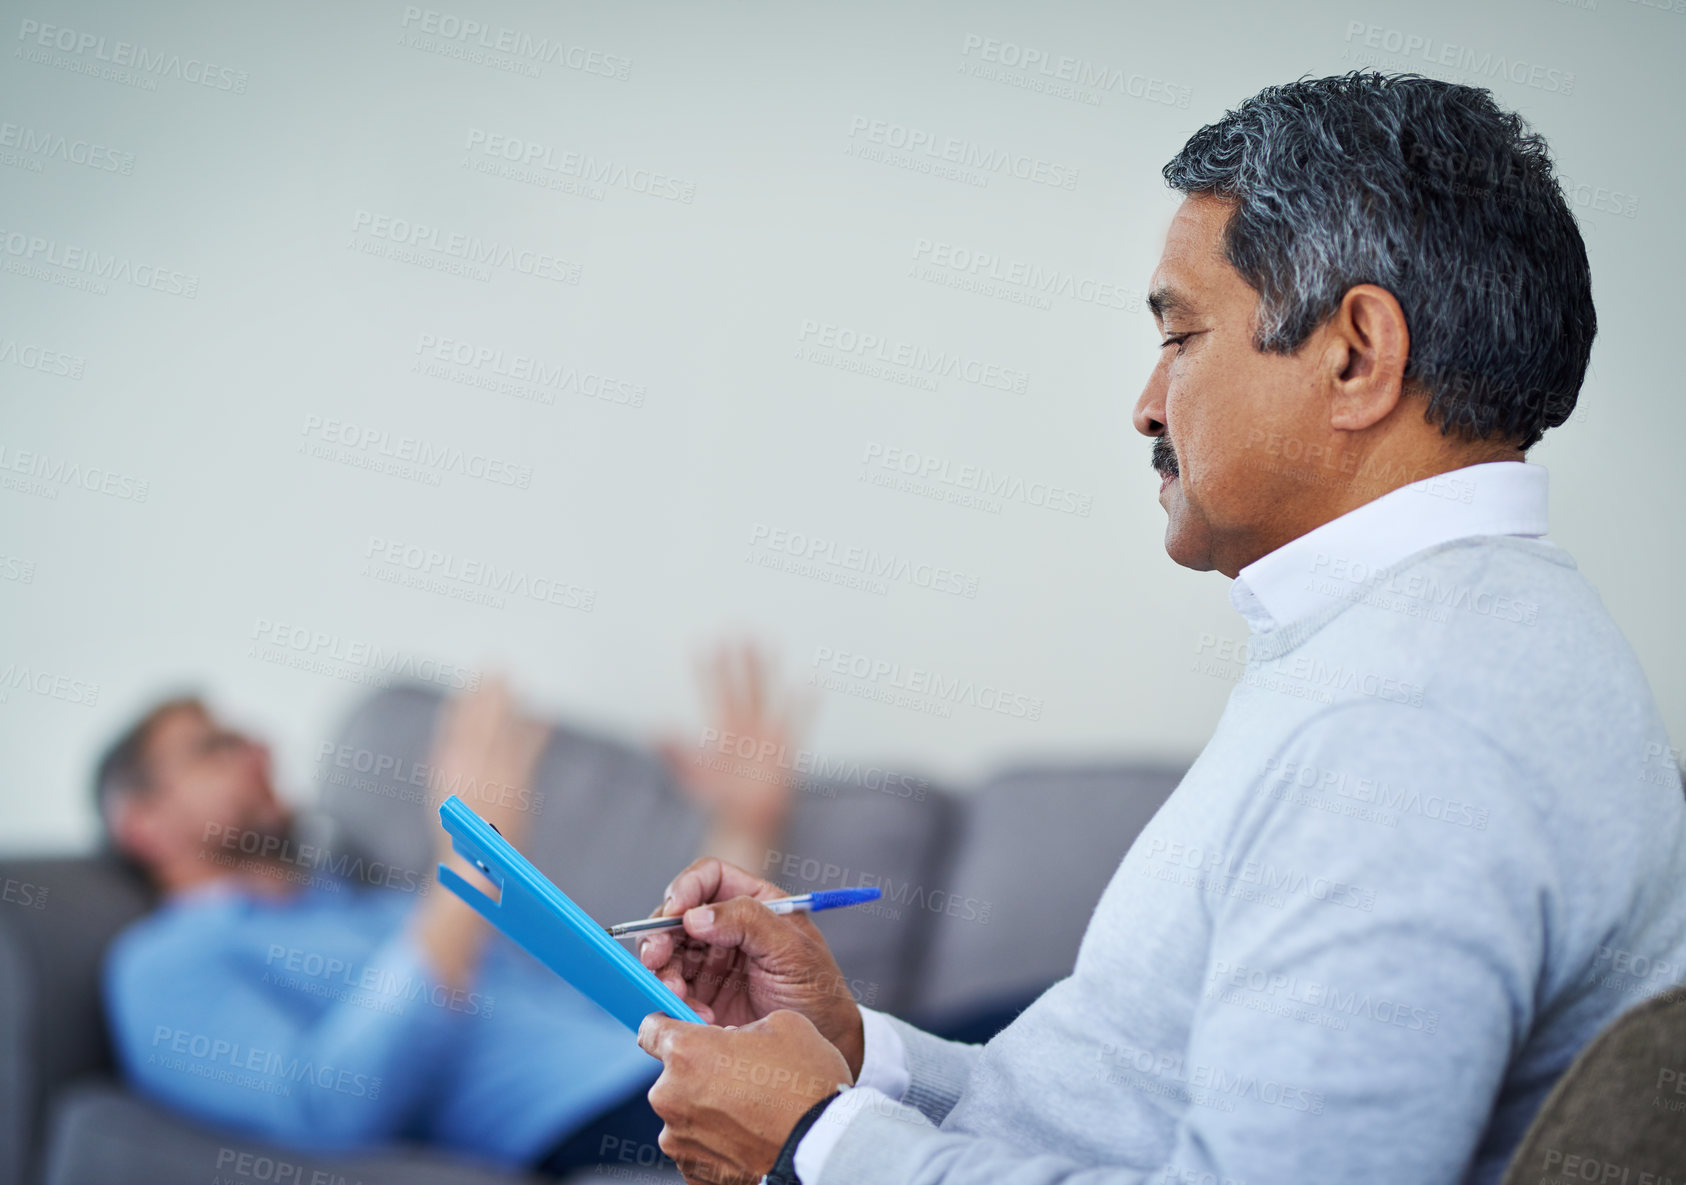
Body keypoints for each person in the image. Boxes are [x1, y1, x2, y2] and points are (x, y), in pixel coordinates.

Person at [630, 72, 1686, 1185]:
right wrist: (853, 1056)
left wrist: (814, 1143)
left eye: (1181, 335)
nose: (1146, 401)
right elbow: (1120, 1110)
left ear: (1357, 355)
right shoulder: (1438, 640)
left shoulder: (1406, 728)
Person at [98, 644, 805, 1177]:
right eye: (213, 748)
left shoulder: (351, 900)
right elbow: (327, 1107)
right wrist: (469, 866)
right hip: (617, 1112)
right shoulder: (161, 962)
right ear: (142, 822)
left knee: (908, 1051)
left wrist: (745, 828)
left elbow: (630, 976)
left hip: (696, 1050)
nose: (260, 750)